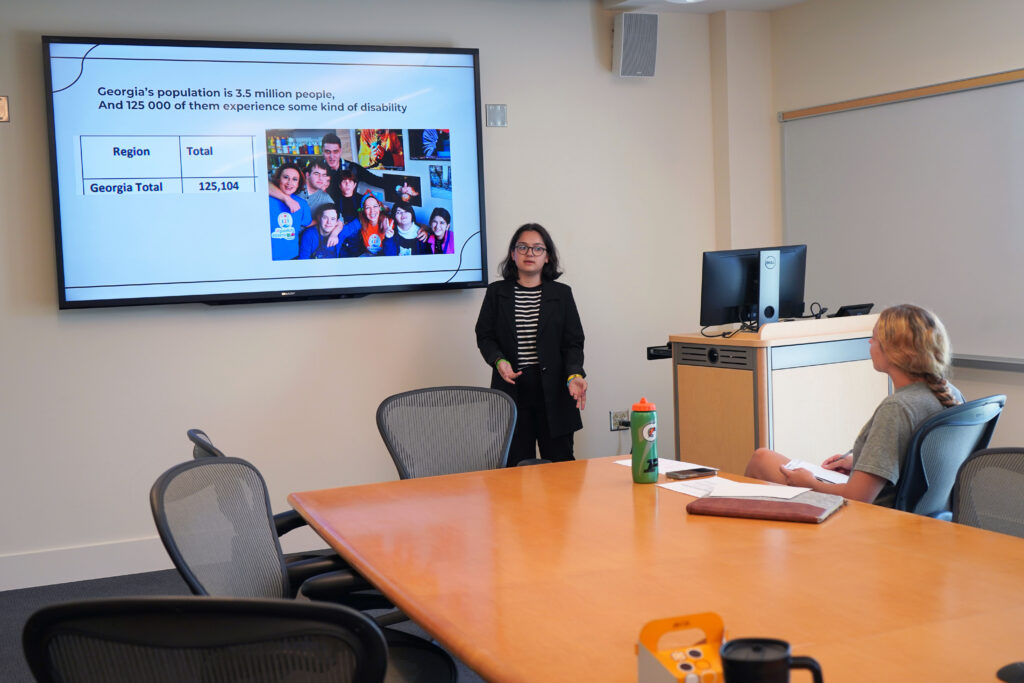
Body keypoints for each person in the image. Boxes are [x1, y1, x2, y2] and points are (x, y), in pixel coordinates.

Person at [744, 304, 963, 507]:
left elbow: (858, 497)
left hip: (873, 517)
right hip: (917, 514)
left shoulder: (897, 408)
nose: (869, 343)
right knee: (764, 457)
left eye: (874, 338)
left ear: (895, 352)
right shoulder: (949, 392)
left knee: (761, 461)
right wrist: (861, 461)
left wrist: (809, 483)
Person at [475, 223, 587, 465]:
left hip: (555, 391)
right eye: (523, 247)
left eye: (537, 248)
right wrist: (499, 361)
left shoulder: (562, 294)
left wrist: (574, 374)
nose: (529, 254)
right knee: (513, 472)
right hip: (512, 389)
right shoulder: (496, 293)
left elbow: (573, 343)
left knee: (561, 472)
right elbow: (484, 335)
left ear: (547, 257)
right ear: (513, 254)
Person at [268, 163, 310, 260]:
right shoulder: (267, 199)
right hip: (269, 258)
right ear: (278, 179)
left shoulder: (302, 204)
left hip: (292, 257)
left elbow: (307, 222)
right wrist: (286, 199)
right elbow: (261, 183)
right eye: (286, 177)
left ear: (299, 183)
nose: (289, 183)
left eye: (295, 179)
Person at [339, 192, 393, 257]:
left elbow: (392, 255)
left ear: (380, 207)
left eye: (375, 206)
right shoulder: (361, 221)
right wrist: (334, 233)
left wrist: (389, 238)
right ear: (363, 210)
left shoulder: (389, 223)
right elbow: (344, 232)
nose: (372, 211)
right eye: (367, 208)